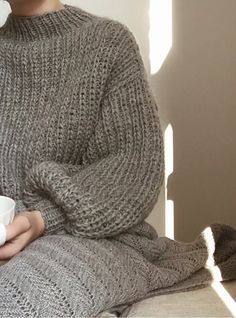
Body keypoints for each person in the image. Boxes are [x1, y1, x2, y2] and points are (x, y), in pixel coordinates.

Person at [0, 0, 235, 317]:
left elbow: (133, 169)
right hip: (8, 237)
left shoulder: (107, 42)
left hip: (93, 237)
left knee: (14, 303)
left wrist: (42, 218)